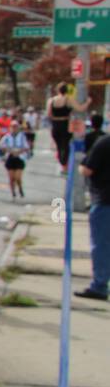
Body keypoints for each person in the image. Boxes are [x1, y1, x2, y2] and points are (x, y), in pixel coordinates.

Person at [76, 126, 110, 301]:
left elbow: (87, 170)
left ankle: (100, 285)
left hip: (104, 200)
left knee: (102, 246)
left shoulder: (103, 143)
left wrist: (81, 166)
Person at [47, 82, 89, 175]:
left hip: (55, 125)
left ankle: (62, 165)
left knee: (59, 146)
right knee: (65, 146)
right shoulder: (68, 99)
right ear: (67, 90)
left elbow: (49, 114)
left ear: (58, 90)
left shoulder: (51, 100)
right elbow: (80, 108)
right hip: (65, 124)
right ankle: (64, 166)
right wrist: (88, 102)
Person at [0, 119, 31, 199]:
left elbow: (26, 147)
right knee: (11, 178)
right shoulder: (7, 136)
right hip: (10, 157)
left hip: (19, 158)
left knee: (18, 177)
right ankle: (13, 192)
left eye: (15, 127)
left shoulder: (22, 136)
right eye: (12, 127)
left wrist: (19, 151)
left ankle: (20, 187)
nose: (14, 128)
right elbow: (0, 145)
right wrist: (9, 150)